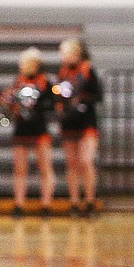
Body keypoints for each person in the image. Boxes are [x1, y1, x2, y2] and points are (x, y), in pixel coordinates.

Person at [2, 48, 56, 217]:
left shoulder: (46, 82)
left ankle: (46, 205)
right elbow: (10, 103)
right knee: (20, 169)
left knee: (45, 167)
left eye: (24, 61)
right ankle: (19, 204)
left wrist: (36, 108)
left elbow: (51, 105)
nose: (21, 65)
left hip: (39, 129)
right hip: (21, 129)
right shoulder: (18, 81)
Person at [55, 38, 103, 216]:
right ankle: (74, 203)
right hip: (69, 122)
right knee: (72, 164)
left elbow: (98, 95)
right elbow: (58, 95)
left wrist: (80, 99)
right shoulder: (62, 72)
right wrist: (61, 105)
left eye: (65, 52)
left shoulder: (87, 70)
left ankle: (89, 202)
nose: (63, 56)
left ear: (76, 53)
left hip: (86, 121)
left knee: (86, 161)